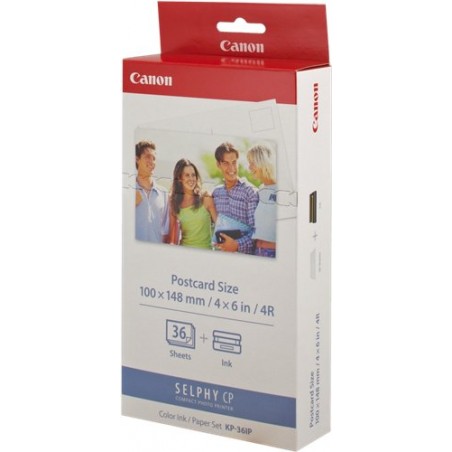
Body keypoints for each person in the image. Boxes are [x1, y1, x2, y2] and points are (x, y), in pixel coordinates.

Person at [212, 142, 258, 254]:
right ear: (218, 165)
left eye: (234, 162)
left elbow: (256, 232)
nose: (231, 168)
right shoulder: (216, 193)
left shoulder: (250, 192)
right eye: (226, 163)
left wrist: (237, 245)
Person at [169, 159, 217, 249]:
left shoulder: (206, 198)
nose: (191, 179)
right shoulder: (174, 203)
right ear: (179, 178)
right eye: (187, 175)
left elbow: (219, 228)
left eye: (193, 175)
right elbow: (171, 238)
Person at [135, 140, 169, 243]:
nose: (152, 162)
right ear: (137, 159)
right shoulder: (127, 192)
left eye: (154, 158)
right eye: (148, 157)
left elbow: (166, 231)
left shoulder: (164, 193)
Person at [247, 144, 277, 258]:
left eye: (252, 163)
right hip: (257, 252)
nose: (249, 167)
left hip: (273, 253)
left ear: (263, 162)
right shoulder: (261, 190)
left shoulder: (283, 189)